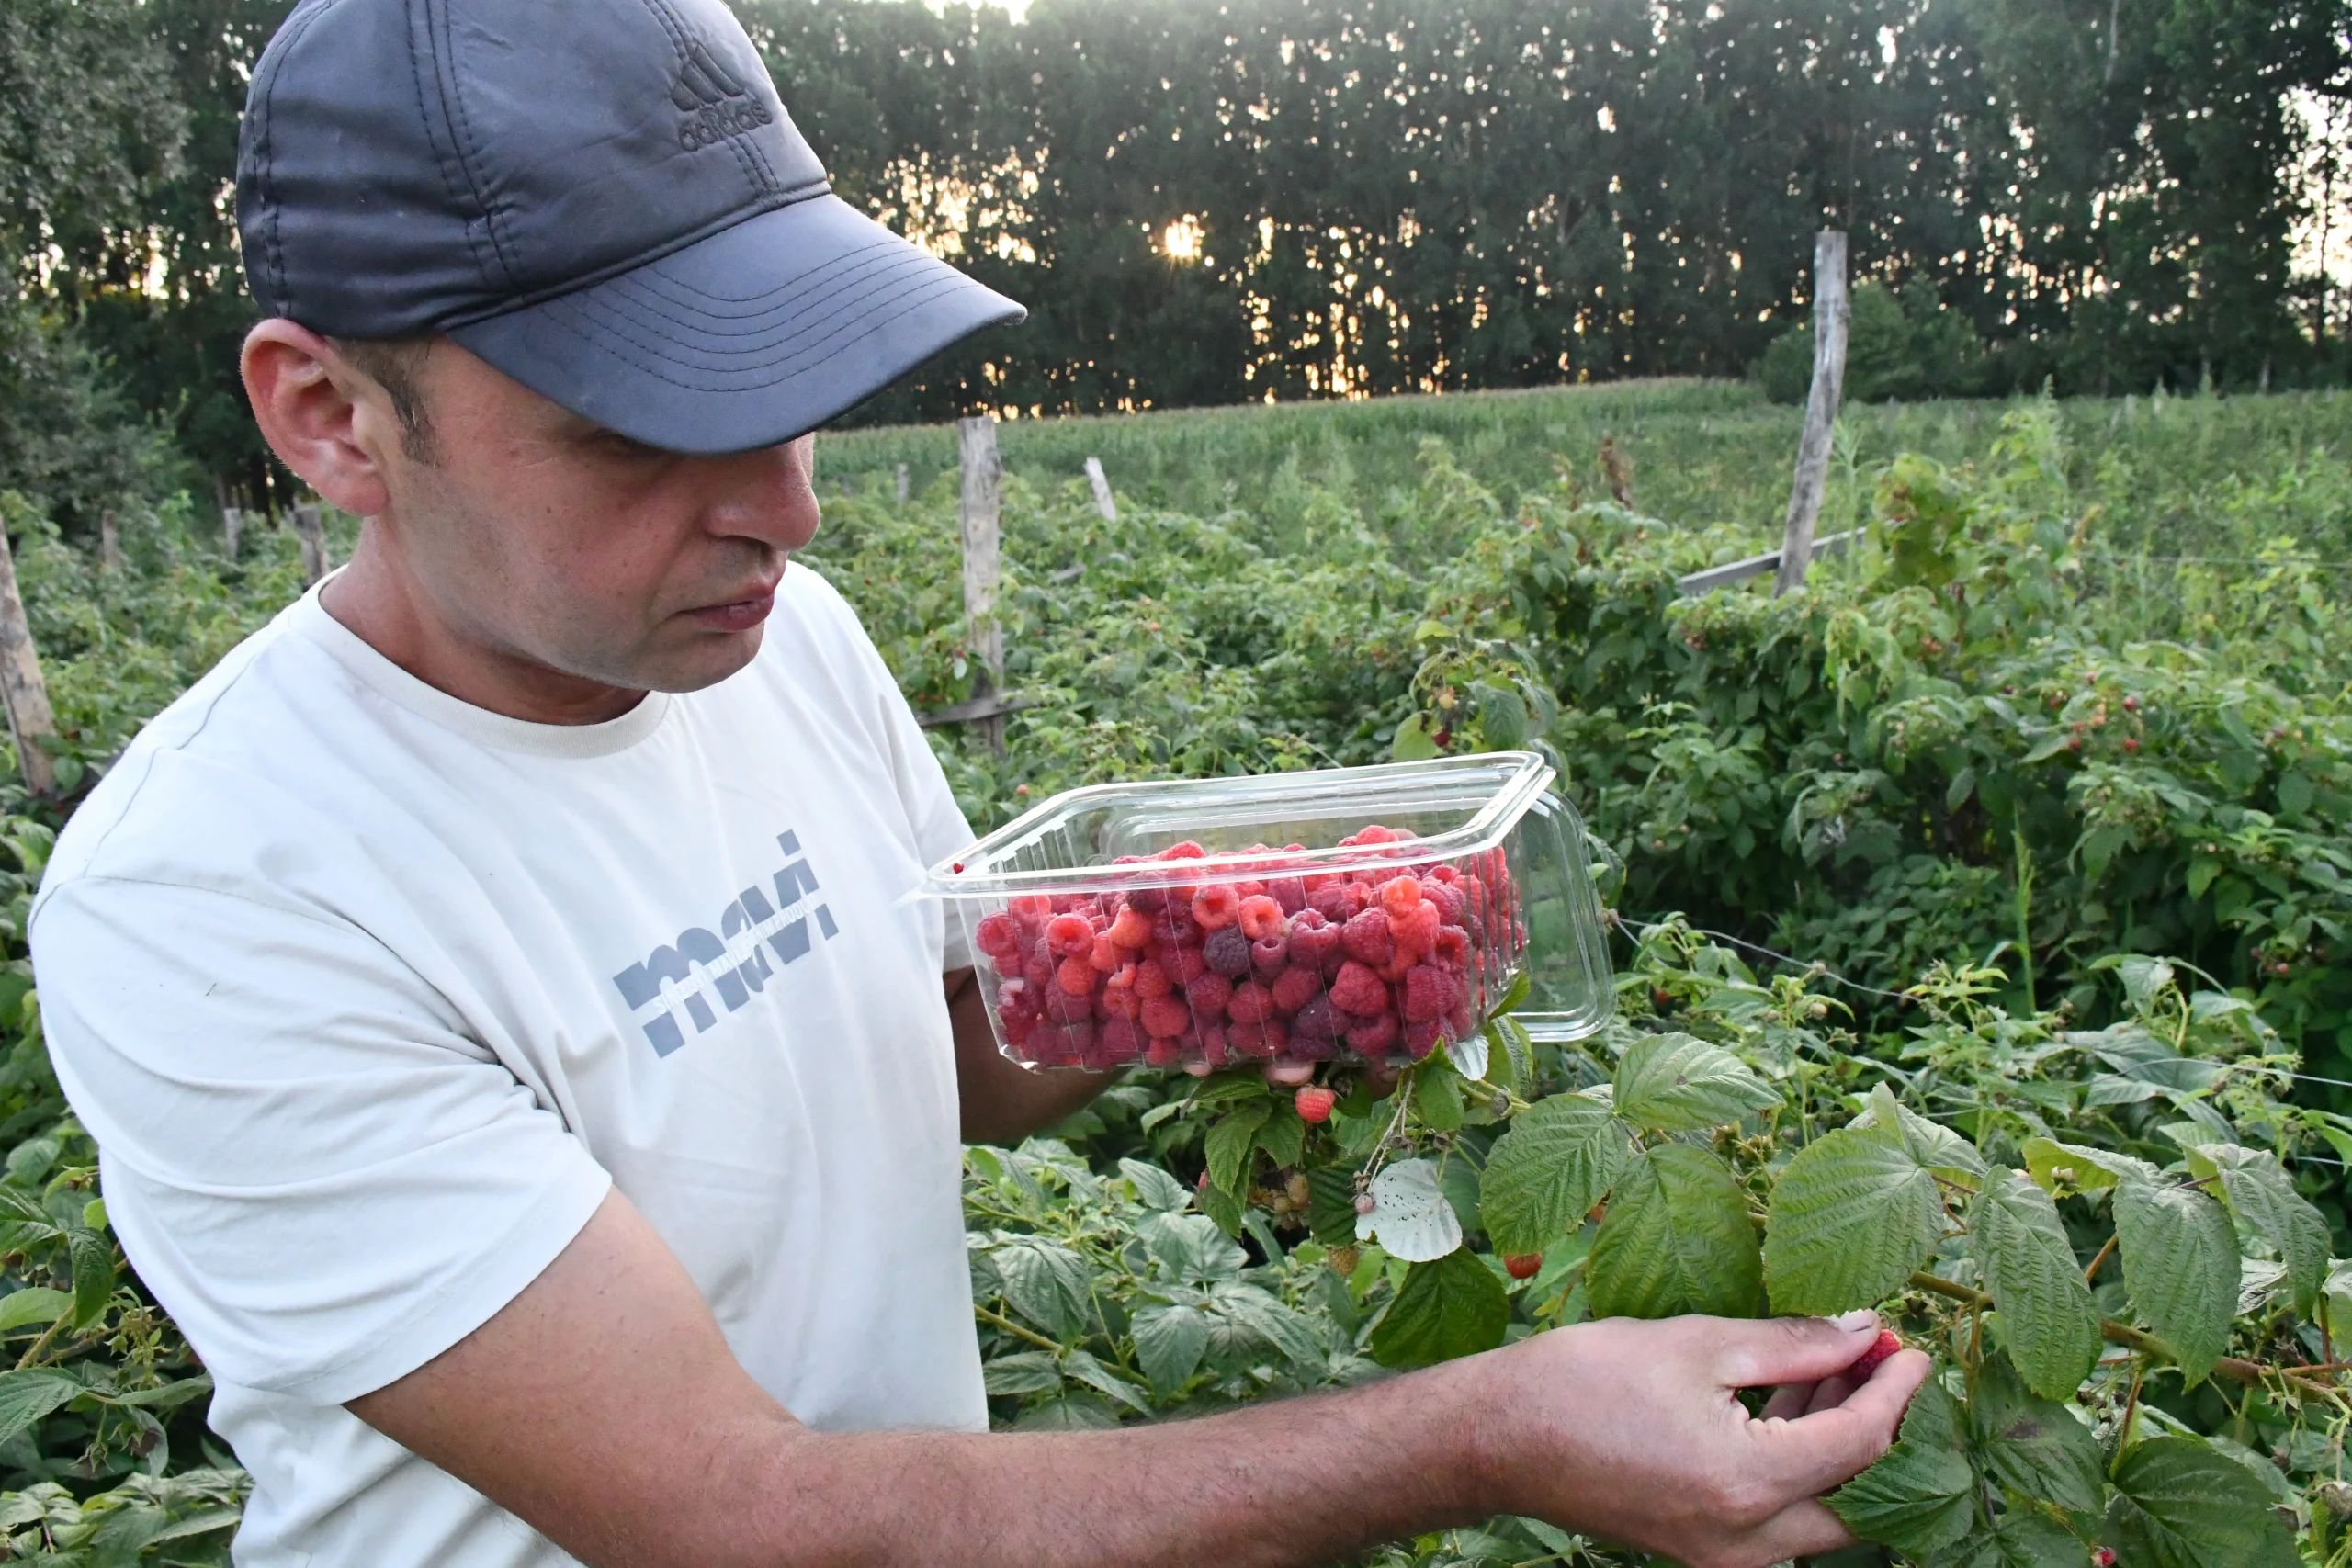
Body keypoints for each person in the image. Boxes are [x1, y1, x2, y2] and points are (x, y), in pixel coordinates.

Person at [27, 1, 1930, 1564]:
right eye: (641, 431)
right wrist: (1495, 1425)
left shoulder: (779, 636)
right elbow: (737, 1518)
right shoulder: (221, 899)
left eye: (786, 394)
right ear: (331, 416)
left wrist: (1285, 938)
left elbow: (953, 1056)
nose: (783, 508)